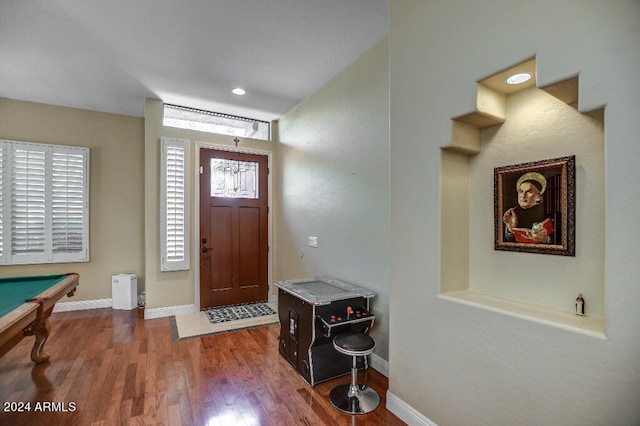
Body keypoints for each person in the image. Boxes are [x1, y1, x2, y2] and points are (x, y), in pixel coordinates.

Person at [502, 171, 553, 243]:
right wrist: (510, 229)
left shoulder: (548, 211)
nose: (523, 196)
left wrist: (545, 239)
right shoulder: (511, 214)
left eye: (528, 191)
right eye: (521, 191)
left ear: (538, 194)